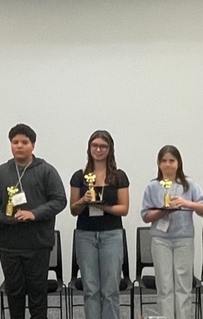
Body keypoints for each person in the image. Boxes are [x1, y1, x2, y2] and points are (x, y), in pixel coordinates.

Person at [0, 123, 67, 319]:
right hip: (9, 245)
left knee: (38, 293)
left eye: (24, 142)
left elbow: (59, 200)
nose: (19, 146)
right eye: (15, 142)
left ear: (33, 145)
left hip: (38, 244)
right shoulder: (0, 173)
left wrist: (34, 214)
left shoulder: (46, 171)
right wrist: (3, 218)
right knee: (14, 292)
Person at [141, 145, 203, 319]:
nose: (168, 164)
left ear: (178, 163)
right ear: (158, 164)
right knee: (164, 286)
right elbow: (146, 216)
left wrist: (186, 204)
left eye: (172, 160)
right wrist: (163, 211)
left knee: (183, 285)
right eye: (164, 161)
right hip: (160, 240)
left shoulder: (189, 185)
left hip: (183, 239)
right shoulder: (153, 186)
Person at [68, 130, 131, 319]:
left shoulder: (119, 176)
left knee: (110, 290)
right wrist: (84, 201)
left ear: (110, 149)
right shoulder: (79, 176)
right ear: (89, 148)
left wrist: (105, 207)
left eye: (103, 146)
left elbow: (124, 209)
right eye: (94, 145)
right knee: (91, 290)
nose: (98, 149)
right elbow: (73, 210)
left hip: (112, 234)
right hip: (85, 235)